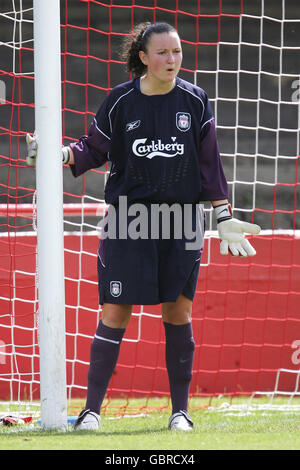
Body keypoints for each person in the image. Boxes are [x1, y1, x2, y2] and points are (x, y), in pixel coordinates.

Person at [26, 22, 261, 431]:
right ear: (143, 58)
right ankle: (91, 412)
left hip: (182, 220)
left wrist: (222, 216)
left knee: (178, 311)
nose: (172, 60)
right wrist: (57, 153)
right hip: (128, 220)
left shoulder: (195, 100)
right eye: (163, 53)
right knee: (115, 311)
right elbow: (93, 149)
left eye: (177, 52)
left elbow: (209, 164)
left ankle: (181, 414)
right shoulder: (120, 101)